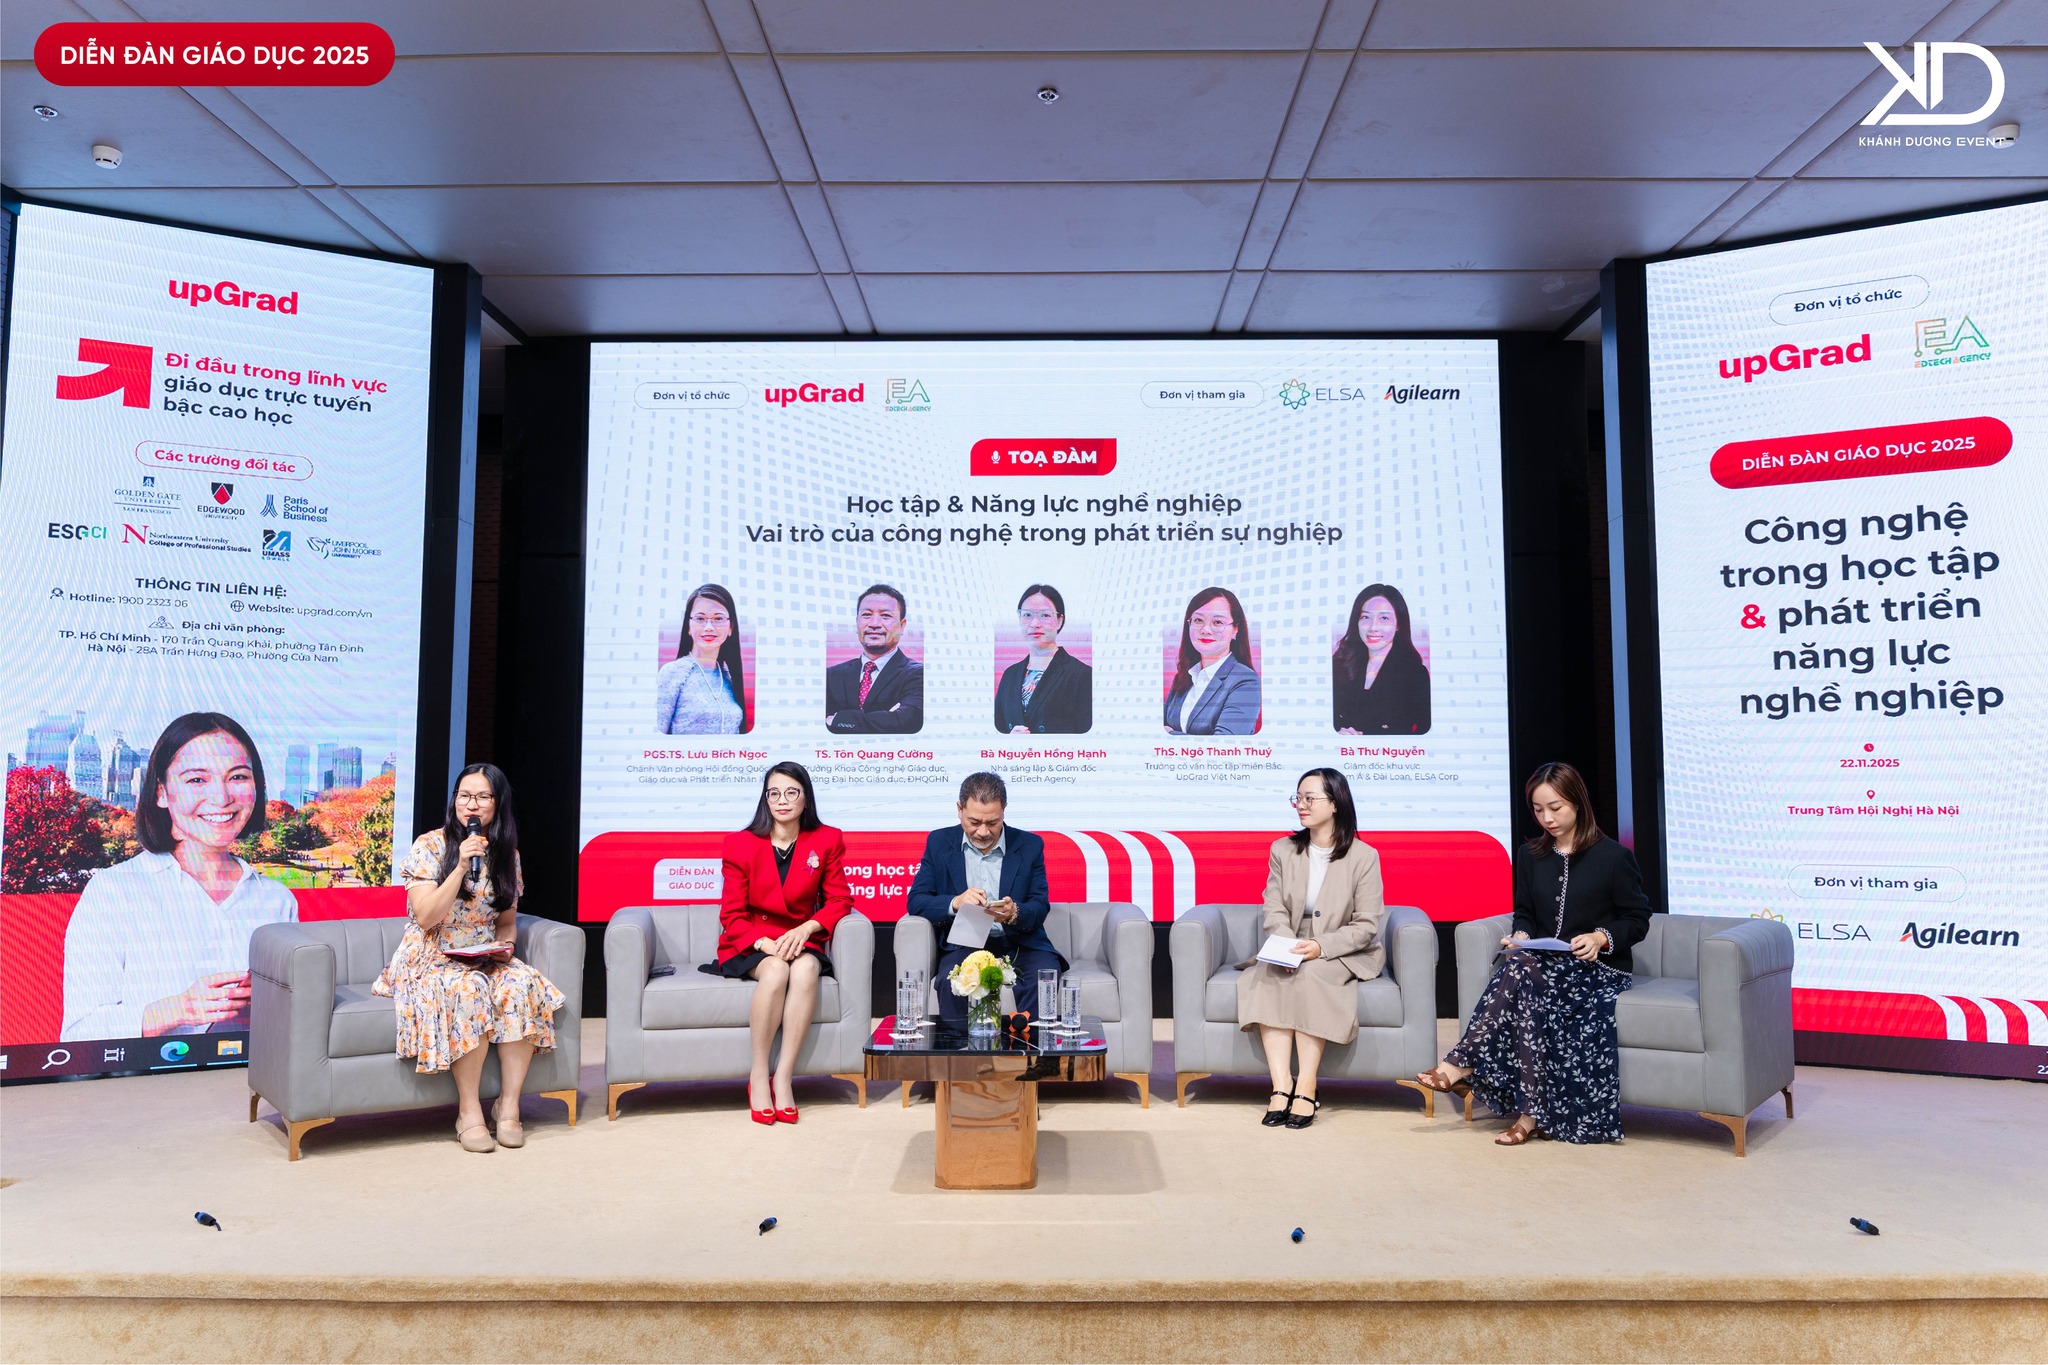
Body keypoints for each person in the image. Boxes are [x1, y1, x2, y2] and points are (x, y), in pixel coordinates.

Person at [1414, 762, 1651, 1146]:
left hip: (1597, 968)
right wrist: (1521, 934)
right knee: (1522, 970)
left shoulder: (1613, 857)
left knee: (1522, 975)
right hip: (1544, 962)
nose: (1547, 818)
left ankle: (1461, 1065)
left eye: (1555, 808)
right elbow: (1524, 911)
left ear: (1577, 802)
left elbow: (1637, 919)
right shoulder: (1531, 855)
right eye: (1539, 810)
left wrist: (1600, 937)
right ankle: (1528, 1115)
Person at [61, 712, 297, 1041]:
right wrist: (179, 1009)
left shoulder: (277, 900)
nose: (222, 797)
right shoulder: (113, 891)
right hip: (148, 1075)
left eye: (238, 777)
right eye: (197, 780)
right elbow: (77, 1037)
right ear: (161, 792)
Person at [372, 764, 565, 1153]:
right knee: (469, 988)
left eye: (481, 797)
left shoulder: (507, 855)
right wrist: (461, 866)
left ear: (497, 804)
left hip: (481, 953)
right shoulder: (430, 846)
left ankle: (508, 1107)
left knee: (520, 984)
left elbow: (506, 921)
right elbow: (425, 916)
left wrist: (505, 948)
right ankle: (469, 1111)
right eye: (464, 796)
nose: (471, 805)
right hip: (430, 955)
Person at [1235, 768, 1384, 1130]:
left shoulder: (1364, 856)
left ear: (1335, 804)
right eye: (1298, 798)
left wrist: (1320, 946)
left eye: (1310, 798)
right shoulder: (1283, 849)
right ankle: (1280, 1086)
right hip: (1291, 939)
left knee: (1312, 975)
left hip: (1340, 947)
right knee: (1268, 975)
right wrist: (1287, 947)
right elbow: (1273, 908)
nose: (1301, 805)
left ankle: (1306, 1085)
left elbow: (1366, 924)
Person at [708, 762, 853, 1124]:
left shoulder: (827, 839)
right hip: (752, 941)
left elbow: (839, 900)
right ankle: (759, 1075)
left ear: (806, 798)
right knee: (775, 971)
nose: (782, 801)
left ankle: (784, 1077)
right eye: (774, 793)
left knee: (805, 970)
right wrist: (764, 944)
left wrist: (806, 929)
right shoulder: (740, 843)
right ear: (765, 799)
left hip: (799, 936)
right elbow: (731, 914)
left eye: (791, 792)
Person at [905, 772, 1062, 1027]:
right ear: (959, 810)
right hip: (965, 944)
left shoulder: (1030, 845)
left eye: (992, 822)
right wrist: (956, 902)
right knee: (949, 981)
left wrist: (1015, 913)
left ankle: (1033, 1050)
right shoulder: (939, 842)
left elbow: (1039, 905)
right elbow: (917, 901)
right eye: (974, 822)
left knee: (1044, 977)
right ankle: (959, 1050)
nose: (983, 831)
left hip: (1020, 944)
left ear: (1004, 810)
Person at [1333, 583, 1431, 735]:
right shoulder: (1340, 664)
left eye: (1384, 618)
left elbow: (1424, 733)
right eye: (1365, 617)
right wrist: (1338, 733)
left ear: (1398, 624)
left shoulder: (1415, 674)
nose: (1373, 627)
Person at [994, 583, 1093, 735]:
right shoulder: (1009, 675)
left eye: (1045, 615)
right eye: (1027, 615)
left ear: (1059, 620)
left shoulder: (1082, 675)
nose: (1035, 624)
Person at [825, 584, 925, 733]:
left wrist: (838, 719)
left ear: (902, 625)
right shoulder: (832, 675)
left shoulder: (918, 675)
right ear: (857, 622)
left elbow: (905, 720)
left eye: (885, 616)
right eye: (867, 615)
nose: (874, 624)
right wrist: (885, 718)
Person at [1164, 586, 1260, 735]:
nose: (1205, 630)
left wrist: (1169, 734)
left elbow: (1225, 744)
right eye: (1198, 620)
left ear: (1235, 629)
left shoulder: (1245, 681)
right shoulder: (1184, 677)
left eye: (1217, 622)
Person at [656, 583, 748, 734]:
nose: (709, 627)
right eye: (700, 618)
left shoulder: (729, 678)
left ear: (730, 627)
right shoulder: (673, 673)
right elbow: (656, 736)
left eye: (718, 618)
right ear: (688, 626)